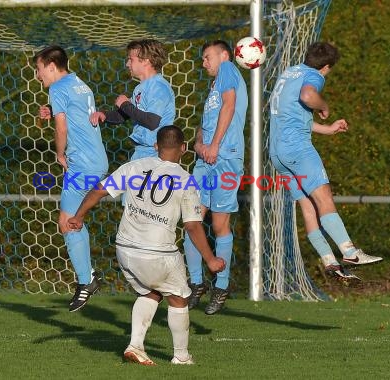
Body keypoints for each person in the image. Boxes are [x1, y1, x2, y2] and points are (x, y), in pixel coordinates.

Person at [68, 125, 225, 366]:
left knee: (150, 292)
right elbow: (192, 227)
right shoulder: (186, 180)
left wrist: (78, 216)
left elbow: (99, 190)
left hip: (125, 250)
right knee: (178, 298)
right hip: (157, 253)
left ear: (155, 146)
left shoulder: (134, 167)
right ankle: (182, 358)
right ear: (184, 149)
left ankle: (136, 346)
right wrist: (211, 259)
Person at [268, 42, 382, 282]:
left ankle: (329, 261)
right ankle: (350, 252)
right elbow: (308, 97)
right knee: (324, 199)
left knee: (308, 208)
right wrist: (324, 105)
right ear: (327, 66)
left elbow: (293, 115)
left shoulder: (289, 73)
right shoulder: (313, 76)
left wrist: (327, 129)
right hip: (298, 149)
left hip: (278, 153)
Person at [33, 45, 108, 312]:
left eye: (39, 69)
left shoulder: (58, 88)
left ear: (51, 66)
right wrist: (50, 111)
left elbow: (62, 127)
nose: (38, 76)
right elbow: (74, 116)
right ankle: (88, 276)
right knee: (73, 219)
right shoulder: (79, 84)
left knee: (67, 221)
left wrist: (59, 153)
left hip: (82, 164)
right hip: (96, 160)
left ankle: (86, 281)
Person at [184, 40, 248, 315]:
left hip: (225, 158)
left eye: (207, 57)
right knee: (191, 219)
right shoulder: (213, 86)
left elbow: (230, 107)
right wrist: (199, 144)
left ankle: (221, 286)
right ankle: (196, 284)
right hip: (205, 160)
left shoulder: (228, 70)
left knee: (220, 225)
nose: (203, 62)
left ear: (224, 55)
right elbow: (203, 125)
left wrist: (215, 145)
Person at [89, 39, 175, 161]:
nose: (127, 64)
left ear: (146, 61)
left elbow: (152, 121)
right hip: (141, 151)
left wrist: (125, 104)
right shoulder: (140, 88)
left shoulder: (158, 86)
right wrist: (104, 115)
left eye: (131, 59)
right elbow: (123, 116)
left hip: (156, 153)